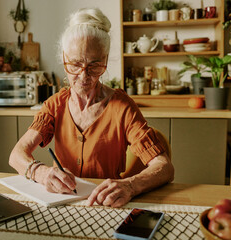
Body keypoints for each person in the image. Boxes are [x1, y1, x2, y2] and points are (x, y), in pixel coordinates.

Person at [9, 8, 174, 207]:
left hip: (107, 205)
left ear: (105, 60)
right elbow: (17, 154)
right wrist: (41, 173)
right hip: (62, 205)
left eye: (94, 66)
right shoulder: (55, 105)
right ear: (64, 58)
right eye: (76, 63)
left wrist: (130, 185)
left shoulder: (121, 107)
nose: (84, 75)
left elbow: (164, 167)